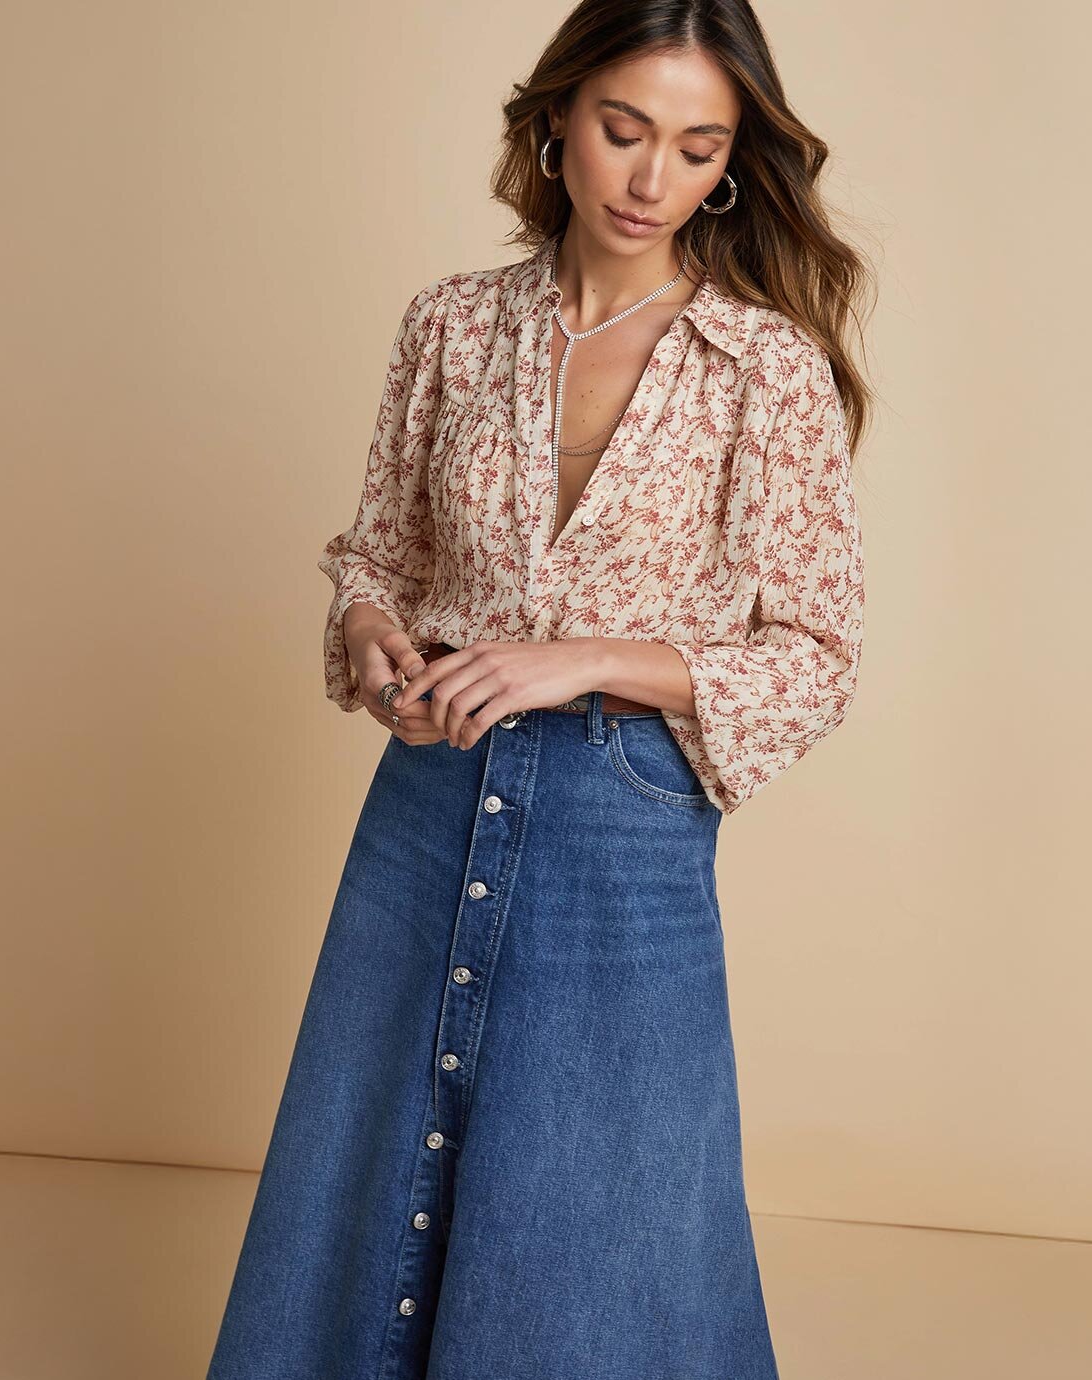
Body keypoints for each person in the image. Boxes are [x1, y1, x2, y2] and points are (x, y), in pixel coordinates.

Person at [206, 2, 873, 1376]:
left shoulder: (765, 370)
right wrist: (371, 630)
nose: (650, 180)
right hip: (428, 792)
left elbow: (814, 655)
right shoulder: (450, 328)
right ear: (556, 120)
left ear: (733, 167)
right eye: (623, 131)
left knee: (607, 1203)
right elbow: (374, 550)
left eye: (697, 149)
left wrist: (583, 660)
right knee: (365, 1160)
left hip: (622, 815)